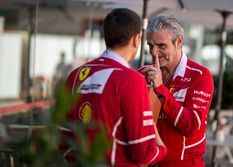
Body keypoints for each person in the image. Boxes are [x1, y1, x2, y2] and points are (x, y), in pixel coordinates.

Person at [59, 8, 167, 166]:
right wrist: (162, 149)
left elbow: (63, 139)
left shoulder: (75, 75)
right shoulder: (131, 80)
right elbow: (144, 153)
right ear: (137, 39)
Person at [140, 14, 214, 167]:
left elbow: (191, 127)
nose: (154, 52)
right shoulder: (142, 75)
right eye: (150, 45)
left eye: (161, 46)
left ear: (179, 42)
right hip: (148, 162)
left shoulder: (200, 76)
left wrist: (160, 89)